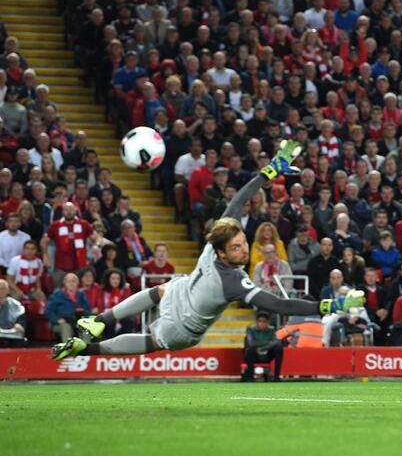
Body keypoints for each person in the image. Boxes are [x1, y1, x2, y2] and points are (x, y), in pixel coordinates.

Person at [52, 141, 365, 360]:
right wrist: (331, 305)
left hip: (186, 300)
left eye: (243, 243)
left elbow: (239, 200)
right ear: (224, 254)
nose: (245, 248)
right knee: (154, 337)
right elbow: (282, 305)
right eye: (238, 248)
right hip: (182, 328)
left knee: (165, 289)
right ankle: (91, 340)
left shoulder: (214, 243)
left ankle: (97, 329)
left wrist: (269, 172)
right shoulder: (234, 281)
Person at [241, 312, 285, 382]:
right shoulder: (251, 329)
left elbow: (277, 342)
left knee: (278, 348)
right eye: (260, 321)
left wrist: (263, 348)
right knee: (250, 350)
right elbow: (251, 343)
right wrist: (268, 342)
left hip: (267, 354)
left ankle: (277, 377)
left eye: (264, 322)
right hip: (254, 355)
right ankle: (249, 377)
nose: (262, 324)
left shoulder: (272, 329)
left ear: (268, 322)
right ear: (256, 322)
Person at [0, 279, 26, 346]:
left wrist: (19, 324)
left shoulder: (15, 304)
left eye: (3, 288)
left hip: (12, 331)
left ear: (7, 290)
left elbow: (21, 317)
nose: (0, 291)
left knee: (19, 337)